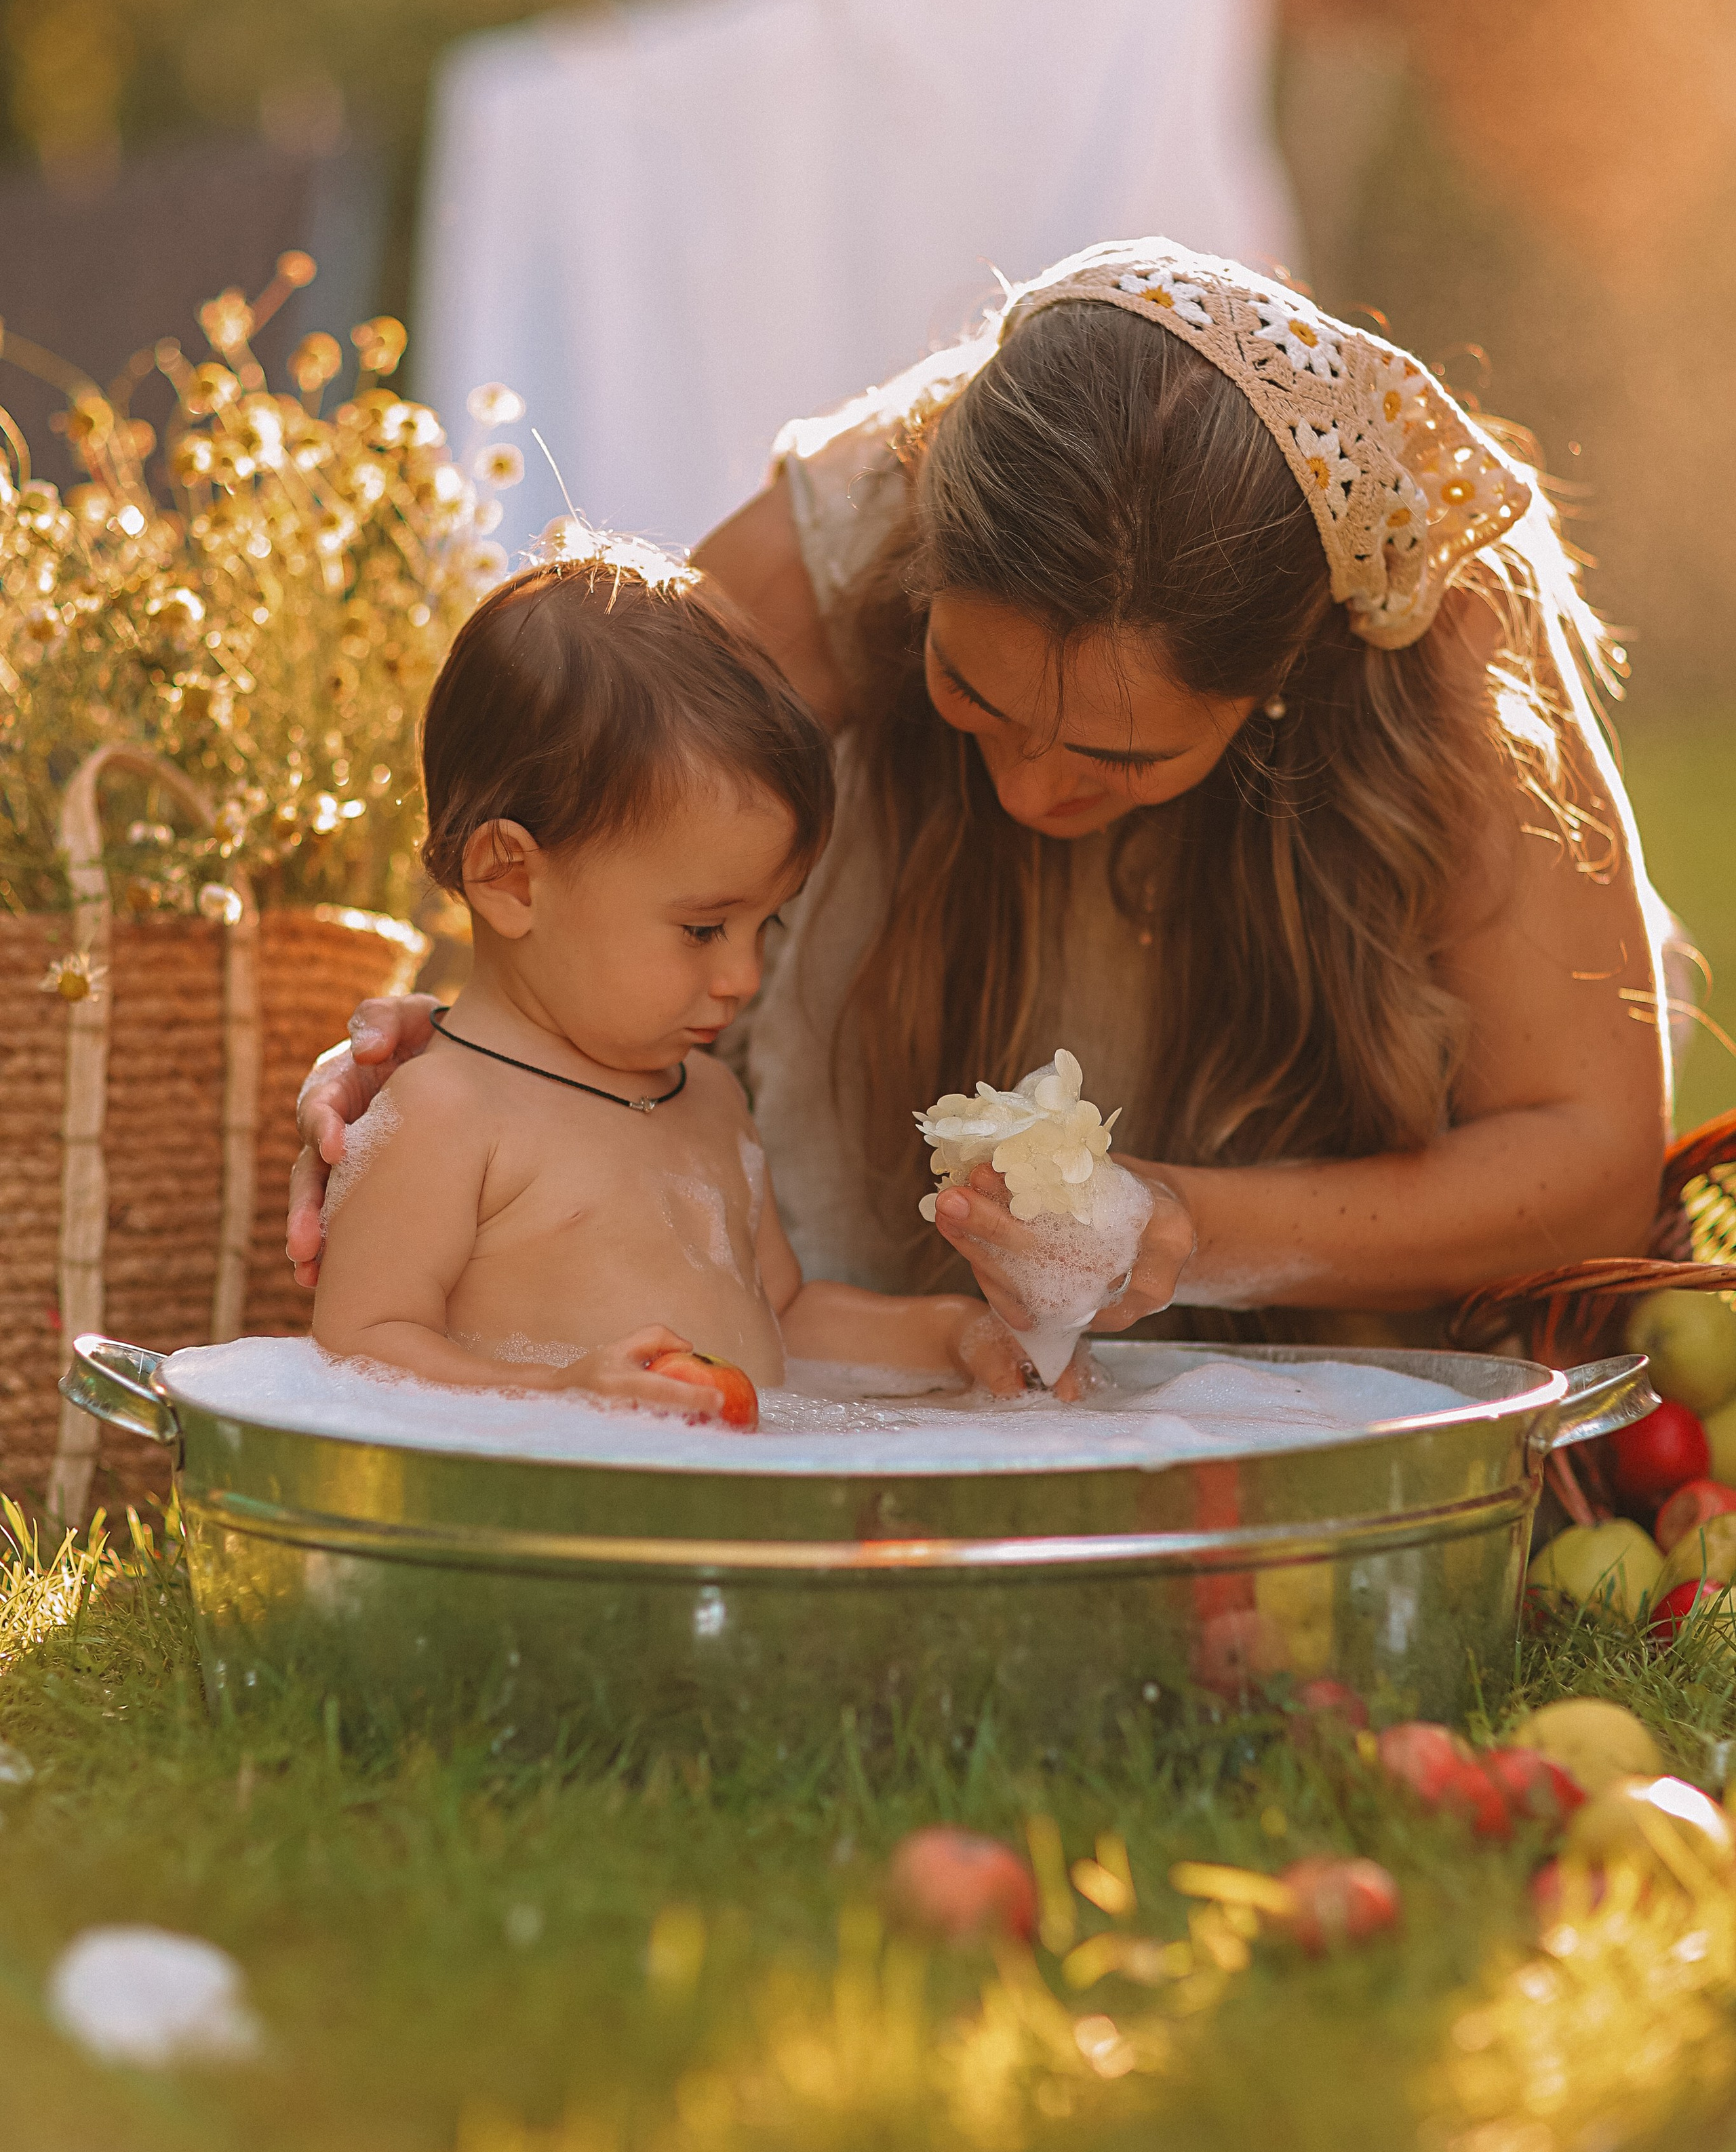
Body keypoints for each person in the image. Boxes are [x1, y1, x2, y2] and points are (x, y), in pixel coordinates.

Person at [291, 239, 1669, 1374]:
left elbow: (1592, 1159)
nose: (1027, 787)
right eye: (968, 692)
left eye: (1120, 760)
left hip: (1342, 1360)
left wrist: (1187, 1224)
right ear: (917, 567)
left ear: (1274, 687)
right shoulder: (840, 533)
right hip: (851, 1338)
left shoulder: (1432, 636)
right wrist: (439, 1076)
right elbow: (582, 860)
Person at [310, 542, 1029, 1410]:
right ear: (510, 878)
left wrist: (951, 1334)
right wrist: (555, 1390)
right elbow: (361, 1350)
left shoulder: (712, 1099)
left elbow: (783, 1316)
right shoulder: (446, 1114)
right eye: (701, 928)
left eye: (768, 924)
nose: (743, 977)